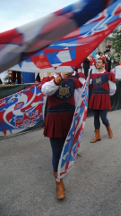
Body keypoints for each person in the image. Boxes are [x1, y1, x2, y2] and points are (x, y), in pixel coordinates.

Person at [41, 72, 83, 200]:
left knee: (69, 147)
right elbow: (45, 90)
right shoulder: (49, 79)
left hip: (70, 117)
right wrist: (60, 79)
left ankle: (64, 168)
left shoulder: (74, 80)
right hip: (55, 118)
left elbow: (81, 98)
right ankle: (59, 182)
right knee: (57, 151)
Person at [89, 56, 116, 143]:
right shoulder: (92, 75)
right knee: (95, 117)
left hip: (104, 98)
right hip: (95, 98)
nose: (97, 63)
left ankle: (108, 127)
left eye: (99, 62)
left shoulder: (108, 74)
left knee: (103, 118)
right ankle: (97, 135)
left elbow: (113, 88)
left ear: (104, 64)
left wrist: (106, 96)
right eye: (97, 62)